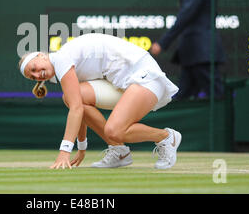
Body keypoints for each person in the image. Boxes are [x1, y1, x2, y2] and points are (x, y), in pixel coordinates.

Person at [18, 33, 181, 170]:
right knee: (72, 96)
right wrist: (81, 148)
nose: (38, 75)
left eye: (34, 68)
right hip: (123, 85)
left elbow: (76, 110)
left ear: (41, 55)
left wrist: (64, 152)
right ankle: (120, 151)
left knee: (113, 131)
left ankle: (166, 137)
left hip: (146, 77)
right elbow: (78, 106)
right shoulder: (64, 64)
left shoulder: (61, 58)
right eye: (33, 77)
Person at [150, 0, 225, 100]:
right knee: (181, 97)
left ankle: (223, 124)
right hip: (194, 53)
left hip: (201, 52)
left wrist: (163, 42)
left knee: (216, 97)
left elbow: (186, 14)